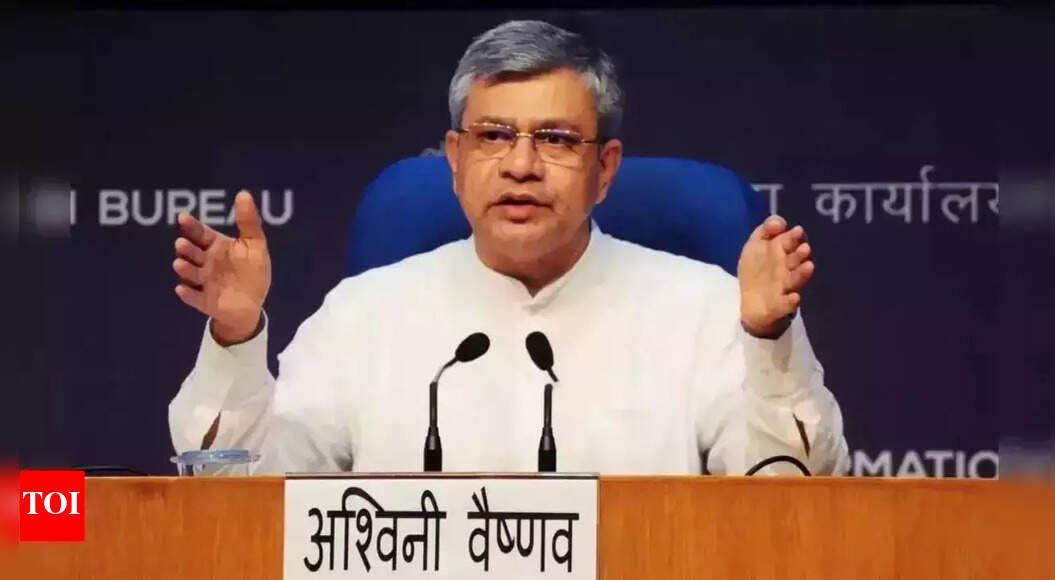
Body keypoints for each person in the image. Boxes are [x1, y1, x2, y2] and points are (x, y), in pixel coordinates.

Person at [168, 20, 849, 475]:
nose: (521, 165)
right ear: (455, 159)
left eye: (555, 140)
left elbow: (791, 495)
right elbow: (248, 502)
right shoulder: (362, 315)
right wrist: (236, 339)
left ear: (605, 169)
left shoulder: (701, 309)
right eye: (494, 137)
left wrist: (769, 342)